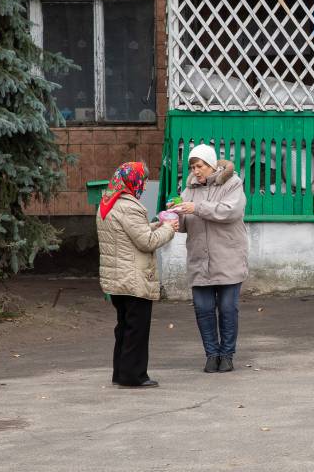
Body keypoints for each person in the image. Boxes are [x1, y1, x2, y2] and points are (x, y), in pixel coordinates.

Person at [96, 161, 177, 389]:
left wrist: (156, 224)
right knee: (137, 329)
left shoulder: (108, 202)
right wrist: (169, 228)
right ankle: (134, 375)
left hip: (117, 278)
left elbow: (129, 235)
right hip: (134, 278)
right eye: (142, 179)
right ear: (134, 181)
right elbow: (146, 242)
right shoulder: (129, 206)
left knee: (124, 327)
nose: (142, 184)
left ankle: (120, 373)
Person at [173, 144, 249, 373]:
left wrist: (196, 208)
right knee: (203, 308)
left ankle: (227, 354)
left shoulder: (232, 183)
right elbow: (186, 222)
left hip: (228, 256)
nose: (196, 171)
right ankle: (211, 354)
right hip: (199, 258)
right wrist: (176, 215)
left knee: (228, 308)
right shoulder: (188, 189)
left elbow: (229, 211)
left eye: (200, 166)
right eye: (193, 167)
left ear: (211, 164)